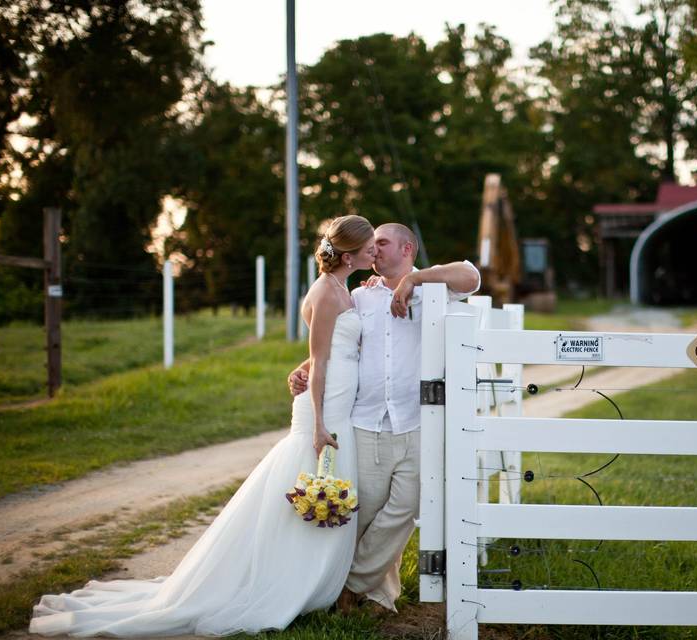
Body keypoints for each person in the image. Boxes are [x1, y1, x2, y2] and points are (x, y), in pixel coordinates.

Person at [29, 215, 377, 636]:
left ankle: (307, 583)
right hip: (326, 408)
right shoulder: (325, 292)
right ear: (350, 252)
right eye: (370, 244)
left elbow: (322, 354)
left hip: (340, 400)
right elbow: (320, 361)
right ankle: (277, 584)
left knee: (319, 489)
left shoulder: (344, 289)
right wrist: (320, 423)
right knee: (302, 486)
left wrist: (305, 366)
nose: (375, 250)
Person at [289, 222, 480, 612]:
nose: (373, 251)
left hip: (414, 422)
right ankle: (369, 593)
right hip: (366, 420)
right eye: (370, 244)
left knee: (405, 507)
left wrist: (414, 280)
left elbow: (472, 276)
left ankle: (351, 586)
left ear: (407, 248)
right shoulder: (360, 295)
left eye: (382, 243)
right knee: (365, 512)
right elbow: (333, 343)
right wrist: (304, 367)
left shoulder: (433, 291)